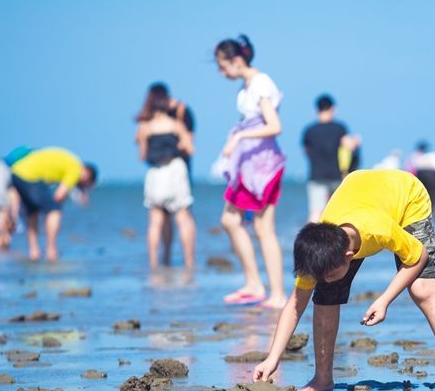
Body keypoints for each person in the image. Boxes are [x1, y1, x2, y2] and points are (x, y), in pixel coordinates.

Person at [251, 169, 435, 391]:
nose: (325, 280)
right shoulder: (319, 248)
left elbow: (419, 257)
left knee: (422, 288)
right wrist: (273, 358)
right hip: (359, 189)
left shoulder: (378, 229)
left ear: (349, 256)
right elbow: (295, 304)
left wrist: (384, 300)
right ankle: (322, 379)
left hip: (407, 194)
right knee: (325, 295)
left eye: (328, 274)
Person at [213, 35, 287, 309]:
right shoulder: (246, 87)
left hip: (264, 165)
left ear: (237, 60)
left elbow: (274, 125)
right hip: (249, 164)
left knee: (263, 228)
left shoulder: (261, 83)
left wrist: (240, 138)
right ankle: (254, 283)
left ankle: (277, 294)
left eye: (222, 66)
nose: (221, 72)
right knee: (231, 220)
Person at [135, 82, 197, 270]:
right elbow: (190, 149)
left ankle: (157, 262)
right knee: (183, 216)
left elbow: (142, 156)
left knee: (155, 220)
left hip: (156, 172)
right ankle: (189, 261)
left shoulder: (145, 126)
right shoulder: (176, 124)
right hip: (176, 170)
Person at [9, 147, 97, 261]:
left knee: (32, 212)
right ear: (86, 176)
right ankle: (51, 250)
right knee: (54, 210)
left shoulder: (71, 160)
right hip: (31, 176)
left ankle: (34, 251)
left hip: (16, 172)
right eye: (86, 184)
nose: (82, 185)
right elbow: (59, 195)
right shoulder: (76, 169)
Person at [303, 94, 349, 223]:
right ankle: (338, 242)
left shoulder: (309, 131)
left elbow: (306, 152)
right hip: (335, 175)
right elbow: (347, 146)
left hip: (316, 175)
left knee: (315, 212)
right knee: (338, 212)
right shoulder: (339, 128)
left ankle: (309, 241)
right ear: (332, 109)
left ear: (316, 110)